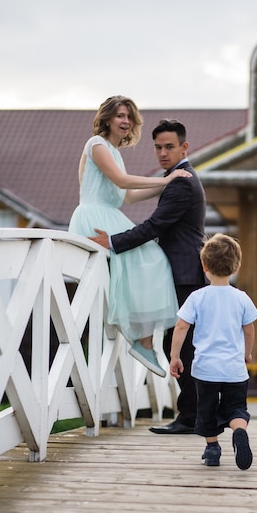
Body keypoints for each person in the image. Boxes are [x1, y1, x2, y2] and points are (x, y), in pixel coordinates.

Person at [90, 119, 207, 434]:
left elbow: (155, 226)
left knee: (183, 347)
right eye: (158, 147)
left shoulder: (181, 181)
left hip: (185, 273)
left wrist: (113, 242)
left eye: (169, 147)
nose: (163, 153)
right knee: (181, 345)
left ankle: (191, 417)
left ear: (184, 147)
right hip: (183, 271)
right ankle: (195, 415)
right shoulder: (173, 179)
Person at [69, 96, 192, 377]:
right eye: (120, 116)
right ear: (107, 119)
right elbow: (122, 181)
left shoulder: (114, 151)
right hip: (94, 217)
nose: (125, 121)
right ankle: (140, 337)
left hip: (110, 214)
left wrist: (166, 184)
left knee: (152, 259)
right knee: (150, 258)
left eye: (128, 117)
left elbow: (129, 197)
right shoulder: (96, 145)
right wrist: (165, 180)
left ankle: (143, 339)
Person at [169, 233, 257, 470]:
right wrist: (246, 353)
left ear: (204, 265)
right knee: (237, 408)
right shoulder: (241, 298)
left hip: (206, 369)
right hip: (234, 369)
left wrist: (175, 356)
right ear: (237, 266)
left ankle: (212, 448)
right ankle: (239, 431)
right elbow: (249, 330)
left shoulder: (197, 297)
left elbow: (181, 326)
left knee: (206, 410)